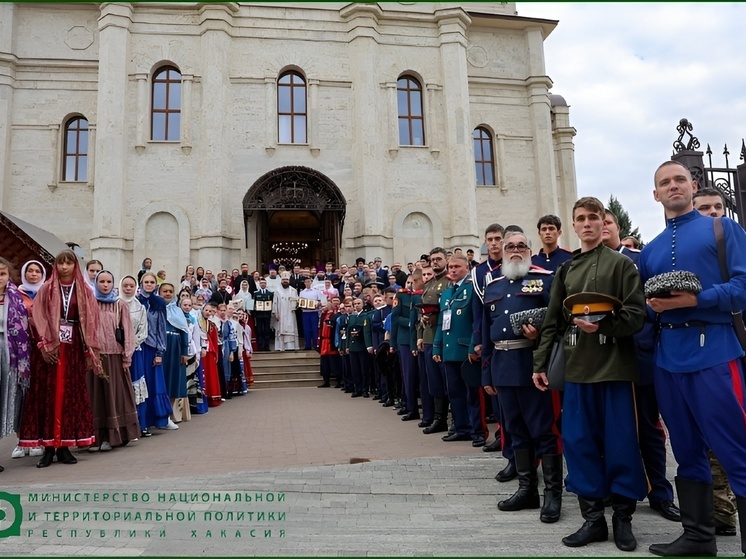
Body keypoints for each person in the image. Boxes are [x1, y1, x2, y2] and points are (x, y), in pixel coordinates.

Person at [640, 161, 746, 557]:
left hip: (715, 352)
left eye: (679, 179)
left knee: (736, 448)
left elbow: (743, 287)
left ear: (693, 185)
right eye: (664, 182)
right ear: (655, 195)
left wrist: (697, 300)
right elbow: (646, 312)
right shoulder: (649, 250)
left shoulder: (722, 229)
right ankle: (699, 536)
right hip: (668, 360)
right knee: (685, 451)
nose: (673, 186)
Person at [533, 196, 647, 552]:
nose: (587, 223)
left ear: (603, 223)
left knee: (621, 444)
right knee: (580, 444)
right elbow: (551, 321)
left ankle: (623, 519)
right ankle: (593, 519)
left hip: (614, 369)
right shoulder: (566, 270)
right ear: (574, 224)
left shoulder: (622, 265)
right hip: (577, 370)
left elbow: (636, 315)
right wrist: (539, 364)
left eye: (593, 218)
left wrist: (603, 326)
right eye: (580, 218)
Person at [602, 209, 680, 522]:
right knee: (613, 429)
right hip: (607, 360)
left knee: (648, 427)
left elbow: (654, 302)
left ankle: (660, 492)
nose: (602, 226)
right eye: (598, 221)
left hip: (640, 355)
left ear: (617, 228)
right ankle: (618, 486)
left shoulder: (639, 259)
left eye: (608, 221)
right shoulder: (590, 264)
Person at [481, 234, 560, 522]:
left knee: (543, 429)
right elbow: (485, 331)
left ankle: (553, 495)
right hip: (502, 365)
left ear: (529, 251)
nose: (515, 251)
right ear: (502, 252)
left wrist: (539, 339)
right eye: (509, 247)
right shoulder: (493, 285)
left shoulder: (545, 279)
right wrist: (487, 371)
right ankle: (527, 490)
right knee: (514, 429)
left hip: (532, 364)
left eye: (520, 246)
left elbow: (556, 323)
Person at [19, 250, 100, 467]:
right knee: (49, 394)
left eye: (69, 263)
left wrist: (91, 349)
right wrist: (45, 344)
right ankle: (47, 448)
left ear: (75, 266)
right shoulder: (47, 288)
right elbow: (37, 317)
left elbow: (92, 318)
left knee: (69, 394)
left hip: (73, 349)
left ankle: (64, 447)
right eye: (61, 263)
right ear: (55, 265)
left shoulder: (84, 290)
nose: (64, 267)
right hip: (50, 350)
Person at [691, 186, 739, 537]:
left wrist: (700, 299)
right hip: (706, 353)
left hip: (732, 349)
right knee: (708, 437)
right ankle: (720, 510)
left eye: (717, 206)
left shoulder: (734, 242)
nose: (712, 213)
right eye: (704, 207)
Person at [433, 254, 487, 446]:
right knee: (454, 392)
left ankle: (478, 430)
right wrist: (437, 346)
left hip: (466, 350)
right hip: (450, 350)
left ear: (467, 268)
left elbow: (477, 320)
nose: (453, 270)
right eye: (450, 267)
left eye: (457, 266)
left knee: (472, 392)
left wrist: (475, 344)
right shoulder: (447, 293)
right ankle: (461, 428)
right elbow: (441, 322)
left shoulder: (472, 288)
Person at [89, 270, 140, 451]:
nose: (105, 285)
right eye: (101, 281)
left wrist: (127, 356)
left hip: (114, 357)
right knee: (96, 398)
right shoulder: (89, 303)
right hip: (94, 357)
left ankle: (114, 436)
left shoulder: (120, 305)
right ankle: (96, 437)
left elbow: (127, 331)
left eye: (108, 281)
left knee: (115, 396)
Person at [11, 260, 45, 460]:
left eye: (37, 271)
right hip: (22, 352)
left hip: (42, 351)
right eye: (30, 271)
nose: (34, 274)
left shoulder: (48, 293)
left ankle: (39, 438)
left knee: (40, 394)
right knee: (21, 395)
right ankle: (21, 440)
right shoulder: (15, 295)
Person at [0, 257, 31, 472]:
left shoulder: (17, 299)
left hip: (8, 353)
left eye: (2, 274)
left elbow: (24, 328)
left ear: (9, 275)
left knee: (4, 401)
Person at [137, 272, 177, 435]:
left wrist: (160, 351)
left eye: (152, 282)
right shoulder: (135, 300)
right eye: (146, 281)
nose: (149, 284)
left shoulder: (158, 302)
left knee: (155, 382)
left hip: (153, 347)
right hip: (138, 347)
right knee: (140, 382)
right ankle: (141, 421)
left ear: (156, 285)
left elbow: (161, 328)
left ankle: (161, 418)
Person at [417, 247, 452, 435]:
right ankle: (439, 418)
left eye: (439, 259)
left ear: (446, 260)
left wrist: (435, 317)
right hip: (429, 337)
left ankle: (451, 418)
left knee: (448, 381)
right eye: (433, 259)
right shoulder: (429, 284)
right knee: (435, 382)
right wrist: (421, 334)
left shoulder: (448, 283)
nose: (436, 262)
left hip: (444, 337)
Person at [118, 274, 149, 432]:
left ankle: (139, 425)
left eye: (131, 286)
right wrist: (121, 346)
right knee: (120, 387)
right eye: (125, 286)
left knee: (136, 385)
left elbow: (143, 332)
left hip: (135, 353)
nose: (128, 288)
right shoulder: (114, 305)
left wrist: (130, 345)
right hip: (117, 352)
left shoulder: (140, 307)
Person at [197, 301, 221, 407]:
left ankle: (213, 397)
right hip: (201, 351)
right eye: (206, 310)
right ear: (202, 310)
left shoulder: (212, 325)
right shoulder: (197, 323)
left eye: (210, 311)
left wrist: (216, 353)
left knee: (211, 375)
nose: (208, 312)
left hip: (210, 352)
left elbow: (215, 340)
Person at [273, 273, 299, 351]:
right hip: (280, 313)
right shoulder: (277, 291)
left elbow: (297, 302)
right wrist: (276, 313)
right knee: (281, 329)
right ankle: (280, 346)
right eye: (283, 280)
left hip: (290, 313)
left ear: (289, 280)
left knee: (291, 327)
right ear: (281, 280)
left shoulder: (293, 290)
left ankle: (291, 346)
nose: (285, 281)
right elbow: (274, 302)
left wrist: (296, 304)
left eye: (286, 280)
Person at [298, 277, 322, 350]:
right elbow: (300, 302)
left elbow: (320, 301)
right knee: (306, 329)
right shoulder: (302, 292)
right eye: (306, 282)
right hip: (305, 312)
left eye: (309, 281)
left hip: (314, 312)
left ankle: (315, 345)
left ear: (311, 282)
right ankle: (307, 345)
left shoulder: (316, 291)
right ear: (304, 283)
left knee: (315, 329)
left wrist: (317, 304)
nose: (308, 283)